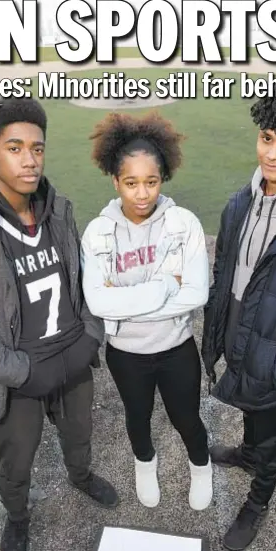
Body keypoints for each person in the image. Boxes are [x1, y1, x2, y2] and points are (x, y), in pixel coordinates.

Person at [0, 97, 118, 551]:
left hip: (72, 356)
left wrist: (90, 337)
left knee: (79, 433)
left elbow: (84, 278)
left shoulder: (58, 207)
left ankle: (80, 474)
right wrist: (21, 371)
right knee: (16, 462)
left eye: (37, 148)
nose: (30, 159)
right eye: (15, 148)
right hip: (18, 374)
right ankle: (17, 517)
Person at [201, 92, 276, 551]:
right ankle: (247, 452)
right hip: (239, 339)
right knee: (251, 410)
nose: (273, 153)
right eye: (266, 138)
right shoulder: (240, 203)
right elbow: (224, 272)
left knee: (274, 438)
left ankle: (258, 501)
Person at [81, 112, 212, 511]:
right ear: (115, 181)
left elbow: (197, 294)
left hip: (176, 349)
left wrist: (129, 301)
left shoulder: (182, 223)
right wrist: (164, 285)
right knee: (137, 418)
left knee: (187, 418)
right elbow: (99, 304)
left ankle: (201, 467)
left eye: (151, 182)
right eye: (131, 183)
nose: (142, 193)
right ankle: (144, 466)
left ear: (162, 179)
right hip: (126, 356)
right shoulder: (98, 232)